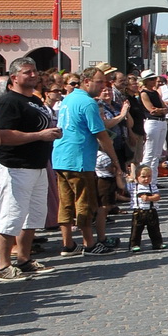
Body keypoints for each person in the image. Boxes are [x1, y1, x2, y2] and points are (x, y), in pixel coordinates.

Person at [0, 57, 58, 281]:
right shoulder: (9, 102)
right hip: (15, 166)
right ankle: (3, 266)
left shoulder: (35, 100)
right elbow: (3, 135)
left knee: (33, 216)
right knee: (11, 215)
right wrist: (40, 135)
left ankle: (24, 259)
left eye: (34, 71)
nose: (33, 75)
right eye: (27, 72)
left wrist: (51, 133)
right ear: (14, 77)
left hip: (37, 165)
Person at [54, 71, 123, 257]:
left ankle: (68, 244)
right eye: (99, 82)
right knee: (85, 202)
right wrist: (115, 161)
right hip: (79, 158)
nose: (103, 86)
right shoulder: (88, 102)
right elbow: (101, 134)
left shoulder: (68, 98)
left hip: (61, 156)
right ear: (86, 81)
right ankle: (89, 244)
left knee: (66, 203)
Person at [136, 70, 168, 176]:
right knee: (149, 153)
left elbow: (166, 108)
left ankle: (153, 180)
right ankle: (143, 178)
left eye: (154, 79)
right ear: (145, 81)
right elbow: (151, 110)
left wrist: (161, 110)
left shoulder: (155, 92)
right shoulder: (144, 93)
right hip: (152, 122)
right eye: (151, 79)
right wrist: (161, 110)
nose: (154, 81)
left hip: (162, 121)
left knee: (157, 154)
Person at [128, 165, 163, 252]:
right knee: (136, 230)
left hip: (151, 211)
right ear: (137, 177)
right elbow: (121, 185)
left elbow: (157, 196)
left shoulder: (152, 186)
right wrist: (120, 176)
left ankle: (157, 243)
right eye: (143, 177)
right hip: (138, 211)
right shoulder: (133, 186)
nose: (146, 179)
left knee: (154, 229)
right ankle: (134, 245)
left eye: (149, 176)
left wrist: (149, 198)